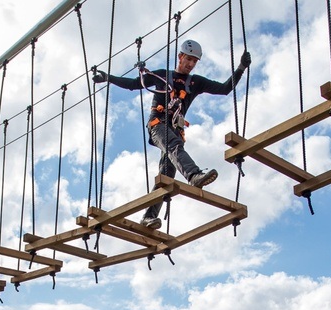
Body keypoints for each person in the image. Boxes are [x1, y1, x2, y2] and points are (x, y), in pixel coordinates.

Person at [93, 41, 251, 229]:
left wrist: (241, 67)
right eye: (188, 59)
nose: (191, 64)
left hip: (174, 128)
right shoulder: (161, 76)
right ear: (180, 57)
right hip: (157, 124)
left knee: (167, 175)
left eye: (195, 61)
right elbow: (134, 84)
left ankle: (148, 217)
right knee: (174, 144)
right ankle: (193, 175)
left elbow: (225, 88)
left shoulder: (195, 82)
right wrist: (107, 78)